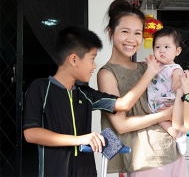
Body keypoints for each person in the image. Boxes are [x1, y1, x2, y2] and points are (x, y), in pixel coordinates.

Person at [22, 25, 164, 177]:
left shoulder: (85, 94)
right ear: (74, 59)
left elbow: (124, 104)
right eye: (92, 59)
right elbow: (31, 134)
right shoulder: (40, 88)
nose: (95, 66)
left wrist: (150, 73)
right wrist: (80, 139)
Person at [98, 0, 188, 177]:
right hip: (146, 160)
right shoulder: (107, 74)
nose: (132, 39)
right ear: (110, 32)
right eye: (125, 31)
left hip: (174, 152)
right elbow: (121, 125)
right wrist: (164, 115)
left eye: (138, 33)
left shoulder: (146, 67)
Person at [147, 26, 189, 155]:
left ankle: (179, 137)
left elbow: (175, 85)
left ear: (177, 51)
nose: (161, 51)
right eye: (157, 47)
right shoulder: (155, 65)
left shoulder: (175, 69)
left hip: (166, 105)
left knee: (162, 122)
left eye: (166, 47)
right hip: (155, 105)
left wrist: (182, 81)